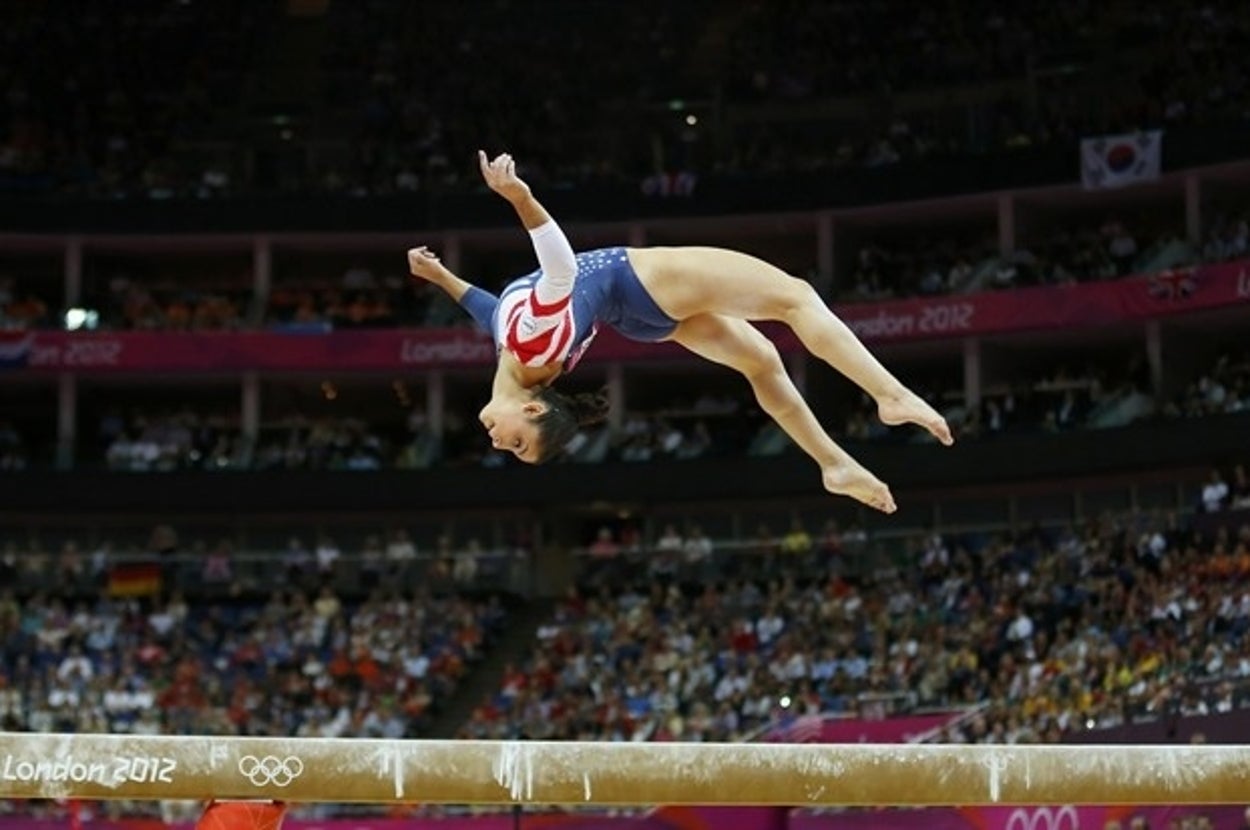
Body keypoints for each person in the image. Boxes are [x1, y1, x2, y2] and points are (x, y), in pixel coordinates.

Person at [407, 151, 953, 513]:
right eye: (518, 446)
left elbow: (488, 309)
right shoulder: (531, 344)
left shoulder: (515, 350)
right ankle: (889, 395)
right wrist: (519, 199)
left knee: (761, 361)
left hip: (639, 321)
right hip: (640, 280)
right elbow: (562, 272)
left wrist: (442, 278)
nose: (500, 444)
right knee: (795, 297)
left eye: (513, 447)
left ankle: (832, 463)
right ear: (531, 407)